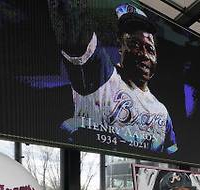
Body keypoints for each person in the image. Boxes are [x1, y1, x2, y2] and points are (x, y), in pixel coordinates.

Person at [48, 1, 178, 153]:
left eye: (150, 49)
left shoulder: (162, 112)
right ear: (120, 47)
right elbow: (74, 29)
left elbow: (172, 158)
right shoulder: (102, 76)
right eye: (134, 44)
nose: (144, 54)